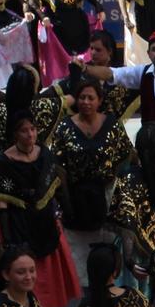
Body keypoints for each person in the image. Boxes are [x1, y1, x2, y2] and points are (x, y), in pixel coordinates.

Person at [0, 113, 81, 307]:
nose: (30, 134)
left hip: (45, 221)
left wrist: (67, 210)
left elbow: (55, 186)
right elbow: (2, 199)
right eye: (24, 130)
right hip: (19, 222)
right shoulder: (6, 161)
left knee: (48, 273)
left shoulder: (45, 154)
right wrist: (7, 236)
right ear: (15, 135)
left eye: (33, 129)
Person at [53, 79, 136, 239]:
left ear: (100, 101)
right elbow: (58, 166)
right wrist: (66, 201)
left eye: (91, 98)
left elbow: (126, 153)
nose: (86, 102)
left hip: (105, 196)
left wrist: (113, 183)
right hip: (76, 198)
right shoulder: (64, 126)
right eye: (82, 98)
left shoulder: (112, 124)